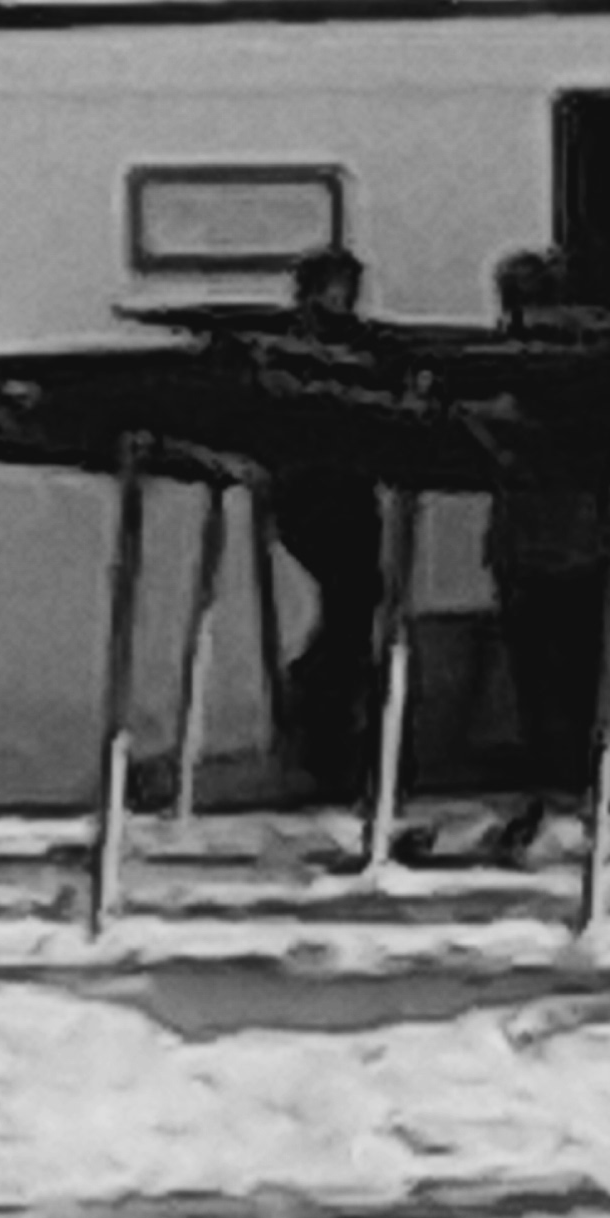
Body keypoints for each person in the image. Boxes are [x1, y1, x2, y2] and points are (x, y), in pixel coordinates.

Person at [481, 248, 610, 865]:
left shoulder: (566, 373)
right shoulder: (518, 368)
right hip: (536, 546)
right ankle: (561, 791)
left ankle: (572, 792)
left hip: (564, 546)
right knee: (549, 679)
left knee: (561, 678)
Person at [265, 244, 386, 815]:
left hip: (346, 492)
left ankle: (333, 728)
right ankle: (322, 723)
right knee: (351, 602)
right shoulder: (295, 345)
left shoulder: (353, 341)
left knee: (356, 605)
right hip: (314, 493)